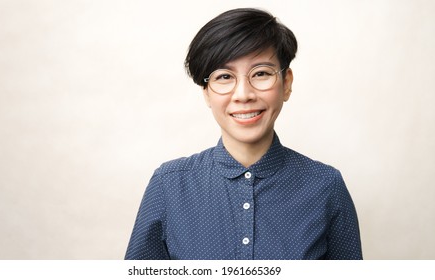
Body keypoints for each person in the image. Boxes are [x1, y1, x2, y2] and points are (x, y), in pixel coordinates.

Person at [125, 8, 362, 260]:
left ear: (287, 84)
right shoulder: (168, 185)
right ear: (206, 93)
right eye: (224, 76)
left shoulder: (326, 186)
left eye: (261, 73)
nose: (243, 94)